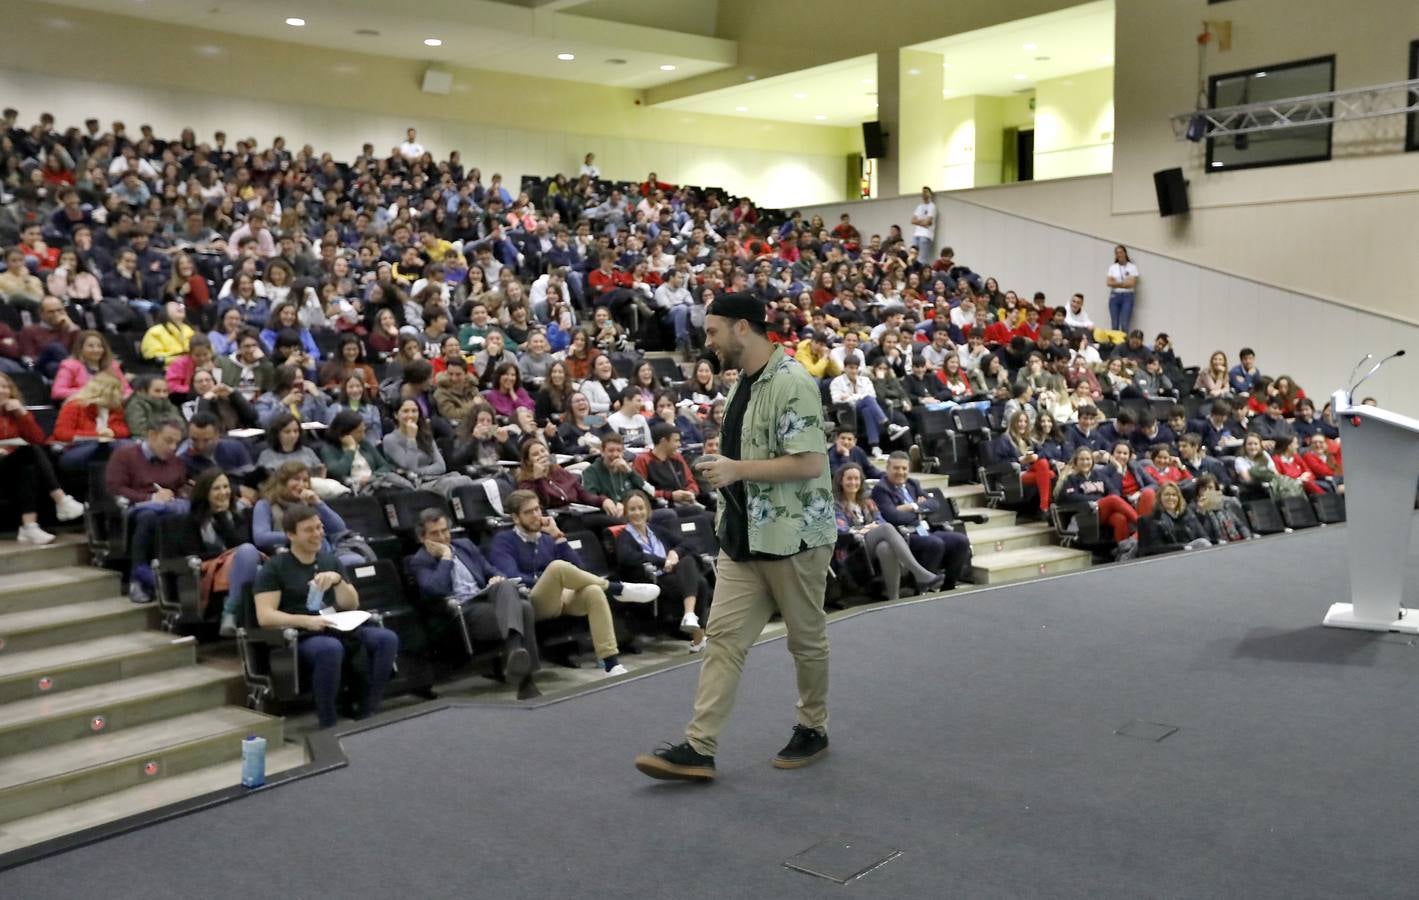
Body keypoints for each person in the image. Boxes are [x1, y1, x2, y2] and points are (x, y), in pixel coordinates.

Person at [635, 292, 836, 783]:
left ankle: (814, 726)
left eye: (712, 331)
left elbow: (809, 461)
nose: (707, 341)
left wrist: (735, 469)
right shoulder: (743, 384)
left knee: (805, 642)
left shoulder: (793, 382)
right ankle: (700, 747)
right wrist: (724, 473)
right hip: (742, 537)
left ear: (742, 327)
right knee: (722, 640)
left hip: (795, 539)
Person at [252, 503, 399, 729]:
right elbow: (266, 616)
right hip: (301, 633)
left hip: (334, 624)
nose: (318, 534)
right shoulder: (275, 568)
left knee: (386, 639)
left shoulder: (330, 560)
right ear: (291, 535)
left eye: (319, 528)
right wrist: (305, 621)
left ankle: (368, 707)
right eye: (309, 530)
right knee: (329, 648)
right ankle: (328, 720)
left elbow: (351, 603)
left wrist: (338, 581)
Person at [489, 490, 659, 676]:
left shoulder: (547, 539)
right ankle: (617, 588)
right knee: (557, 568)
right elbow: (513, 578)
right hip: (530, 601)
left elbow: (580, 570)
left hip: (562, 596)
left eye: (538, 509)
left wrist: (557, 536)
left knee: (593, 590)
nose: (536, 515)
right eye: (529, 512)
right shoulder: (503, 541)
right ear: (515, 518)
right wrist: (553, 582)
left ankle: (611, 663)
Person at [409, 509, 542, 699]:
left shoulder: (464, 545)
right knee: (523, 609)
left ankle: (517, 658)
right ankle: (525, 679)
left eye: (445, 530)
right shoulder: (420, 561)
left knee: (506, 587)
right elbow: (435, 589)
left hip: (487, 597)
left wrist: (497, 578)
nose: (442, 537)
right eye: (434, 533)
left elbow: (490, 569)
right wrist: (446, 557)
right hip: (463, 611)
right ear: (422, 538)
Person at [614, 489, 711, 651]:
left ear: (647, 510)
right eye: (632, 509)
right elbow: (629, 558)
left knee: (689, 564)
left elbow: (688, 544)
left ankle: (689, 616)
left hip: (674, 572)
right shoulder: (625, 536)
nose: (637, 513)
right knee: (699, 583)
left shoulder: (656, 530)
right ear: (626, 512)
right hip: (652, 577)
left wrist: (674, 553)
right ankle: (697, 635)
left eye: (641, 508)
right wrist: (664, 561)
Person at [105, 417, 189, 603]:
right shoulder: (124, 455)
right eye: (168, 441)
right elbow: (115, 488)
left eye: (177, 442)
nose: (174, 447)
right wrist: (149, 498)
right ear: (152, 435)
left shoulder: (175, 462)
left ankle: (178, 575)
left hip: (168, 509)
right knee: (149, 516)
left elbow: (180, 486)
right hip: (135, 509)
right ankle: (138, 578)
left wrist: (179, 494)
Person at [833, 463, 944, 603]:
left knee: (885, 547)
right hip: (851, 549)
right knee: (886, 528)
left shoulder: (868, 501)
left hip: (869, 546)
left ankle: (894, 599)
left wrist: (871, 527)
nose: (853, 482)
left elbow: (879, 520)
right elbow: (842, 531)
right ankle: (920, 573)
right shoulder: (835, 504)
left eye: (856, 479)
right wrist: (866, 529)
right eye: (849, 478)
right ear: (840, 481)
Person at [0, 372, 85, 543]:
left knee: (29, 463)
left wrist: (22, 413)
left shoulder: (13, 413)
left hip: (11, 463)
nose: (3, 391)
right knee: (28, 453)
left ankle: (29, 527)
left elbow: (38, 438)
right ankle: (61, 500)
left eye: (6, 386)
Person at [182, 468, 263, 637]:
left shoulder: (242, 515)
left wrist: (224, 518)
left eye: (226, 487)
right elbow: (192, 554)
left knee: (249, 555)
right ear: (205, 492)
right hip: (210, 570)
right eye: (217, 488)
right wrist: (226, 557)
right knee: (248, 557)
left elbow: (244, 545)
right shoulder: (191, 520)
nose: (224, 492)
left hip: (241, 566)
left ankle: (231, 611)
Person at [382, 398, 473, 496]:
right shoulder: (390, 440)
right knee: (453, 483)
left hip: (434, 479)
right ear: (396, 415)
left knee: (465, 480)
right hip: (413, 485)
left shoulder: (425, 434)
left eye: (414, 411)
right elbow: (410, 467)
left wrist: (419, 471)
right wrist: (411, 438)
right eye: (405, 411)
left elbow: (441, 466)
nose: (411, 415)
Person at [52, 329, 131, 401]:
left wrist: (123, 396)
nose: (96, 350)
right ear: (80, 349)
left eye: (99, 346)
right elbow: (57, 391)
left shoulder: (112, 365)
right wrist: (91, 391)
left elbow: (127, 389)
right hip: (83, 406)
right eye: (90, 346)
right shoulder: (70, 365)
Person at [1106, 244, 1138, 333]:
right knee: (1114, 325)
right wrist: (1124, 283)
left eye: (1121, 252)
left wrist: (1116, 283)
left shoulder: (1132, 267)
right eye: (1117, 253)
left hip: (1127, 296)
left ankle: (1124, 344)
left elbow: (1132, 283)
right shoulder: (1113, 267)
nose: (1119, 254)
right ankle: (1114, 345)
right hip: (1114, 296)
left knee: (1124, 324)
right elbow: (1109, 282)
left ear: (1125, 253)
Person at [910, 186, 937, 260]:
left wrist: (919, 221)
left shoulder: (932, 206)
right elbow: (912, 221)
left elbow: (927, 222)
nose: (924, 194)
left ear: (930, 194)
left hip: (926, 235)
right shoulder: (919, 206)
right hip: (916, 234)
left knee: (922, 258)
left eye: (926, 192)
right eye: (923, 192)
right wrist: (923, 221)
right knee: (912, 255)